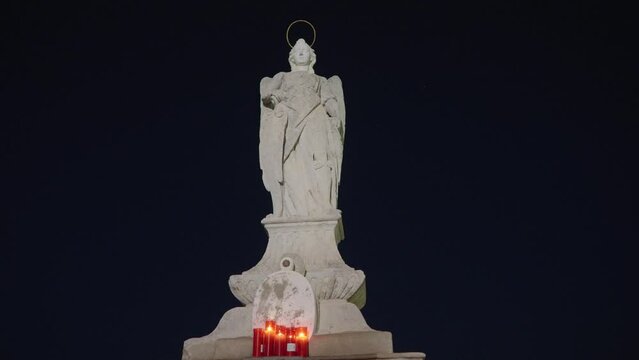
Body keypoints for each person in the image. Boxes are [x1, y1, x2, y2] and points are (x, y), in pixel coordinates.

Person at [259, 38, 345, 218]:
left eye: (305, 50)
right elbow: (266, 94)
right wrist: (276, 96)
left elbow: (329, 99)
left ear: (311, 57)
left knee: (321, 159)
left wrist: (335, 113)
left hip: (315, 118)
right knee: (290, 162)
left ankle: (324, 206)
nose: (301, 52)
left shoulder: (320, 80)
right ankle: (290, 209)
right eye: (298, 50)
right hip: (291, 121)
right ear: (291, 57)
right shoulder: (283, 76)